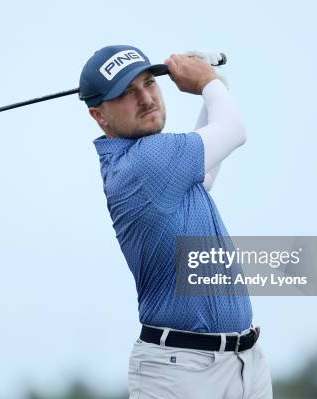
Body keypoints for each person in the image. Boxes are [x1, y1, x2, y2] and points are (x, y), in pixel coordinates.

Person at [79, 45, 272, 399]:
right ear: (100, 116)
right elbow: (233, 130)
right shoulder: (145, 162)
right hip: (180, 371)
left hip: (242, 363)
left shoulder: (153, 164)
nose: (145, 98)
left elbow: (206, 172)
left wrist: (214, 87)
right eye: (125, 93)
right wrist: (208, 82)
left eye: (150, 83)